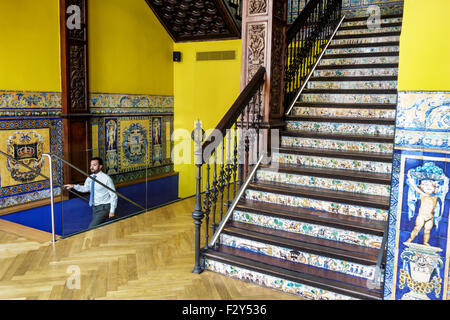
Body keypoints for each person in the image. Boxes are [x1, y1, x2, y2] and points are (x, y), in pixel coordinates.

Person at [64, 157, 118, 228]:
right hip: (95, 207)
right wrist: (73, 186)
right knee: (98, 228)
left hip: (104, 207)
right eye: (91, 165)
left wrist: (112, 211)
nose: (91, 167)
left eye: (94, 165)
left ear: (100, 166)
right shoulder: (90, 178)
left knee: (91, 228)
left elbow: (113, 195)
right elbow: (85, 188)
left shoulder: (106, 179)